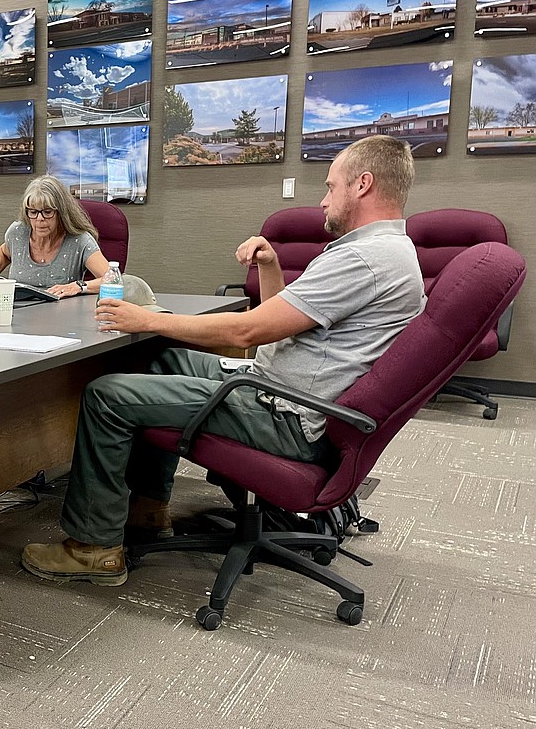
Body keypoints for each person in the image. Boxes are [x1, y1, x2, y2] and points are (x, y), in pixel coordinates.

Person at [22, 135, 424, 585]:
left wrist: (147, 319)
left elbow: (246, 330)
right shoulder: (388, 251)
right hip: (277, 387)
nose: (323, 200)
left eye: (331, 187)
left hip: (284, 414)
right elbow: (279, 323)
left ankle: (92, 546)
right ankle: (148, 508)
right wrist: (271, 267)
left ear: (363, 185)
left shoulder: (364, 259)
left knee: (106, 395)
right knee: (159, 359)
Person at [0, 175, 112, 297]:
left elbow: (112, 280)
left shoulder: (80, 241)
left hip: (59, 316)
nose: (39, 219)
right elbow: (4, 252)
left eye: (47, 212)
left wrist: (78, 286)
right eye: (33, 212)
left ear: (61, 213)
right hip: (17, 312)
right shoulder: (17, 232)